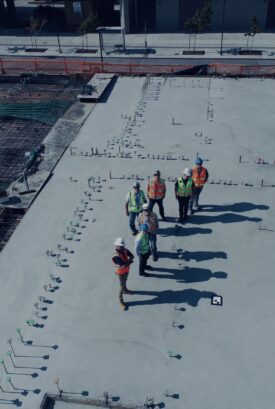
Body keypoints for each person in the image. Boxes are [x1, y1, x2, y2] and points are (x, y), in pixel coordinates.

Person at [112, 237, 134, 311]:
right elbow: (122, 265)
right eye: (121, 246)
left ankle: (126, 290)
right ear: (116, 246)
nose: (122, 247)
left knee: (125, 281)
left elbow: (131, 255)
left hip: (126, 270)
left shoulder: (125, 250)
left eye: (123, 246)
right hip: (120, 273)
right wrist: (129, 261)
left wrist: (129, 261)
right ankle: (121, 301)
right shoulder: (116, 256)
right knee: (121, 287)